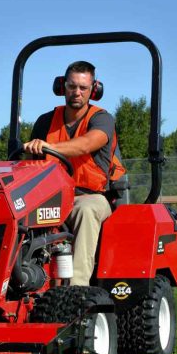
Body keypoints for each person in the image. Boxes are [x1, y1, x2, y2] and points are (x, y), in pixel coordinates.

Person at [22, 61, 118, 287]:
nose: (77, 92)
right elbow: (28, 163)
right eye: (72, 86)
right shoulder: (45, 121)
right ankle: (24, 282)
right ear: (61, 87)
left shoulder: (102, 119)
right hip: (51, 199)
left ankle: (76, 290)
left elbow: (86, 144)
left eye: (83, 88)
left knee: (85, 210)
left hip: (91, 196)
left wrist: (47, 146)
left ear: (94, 90)